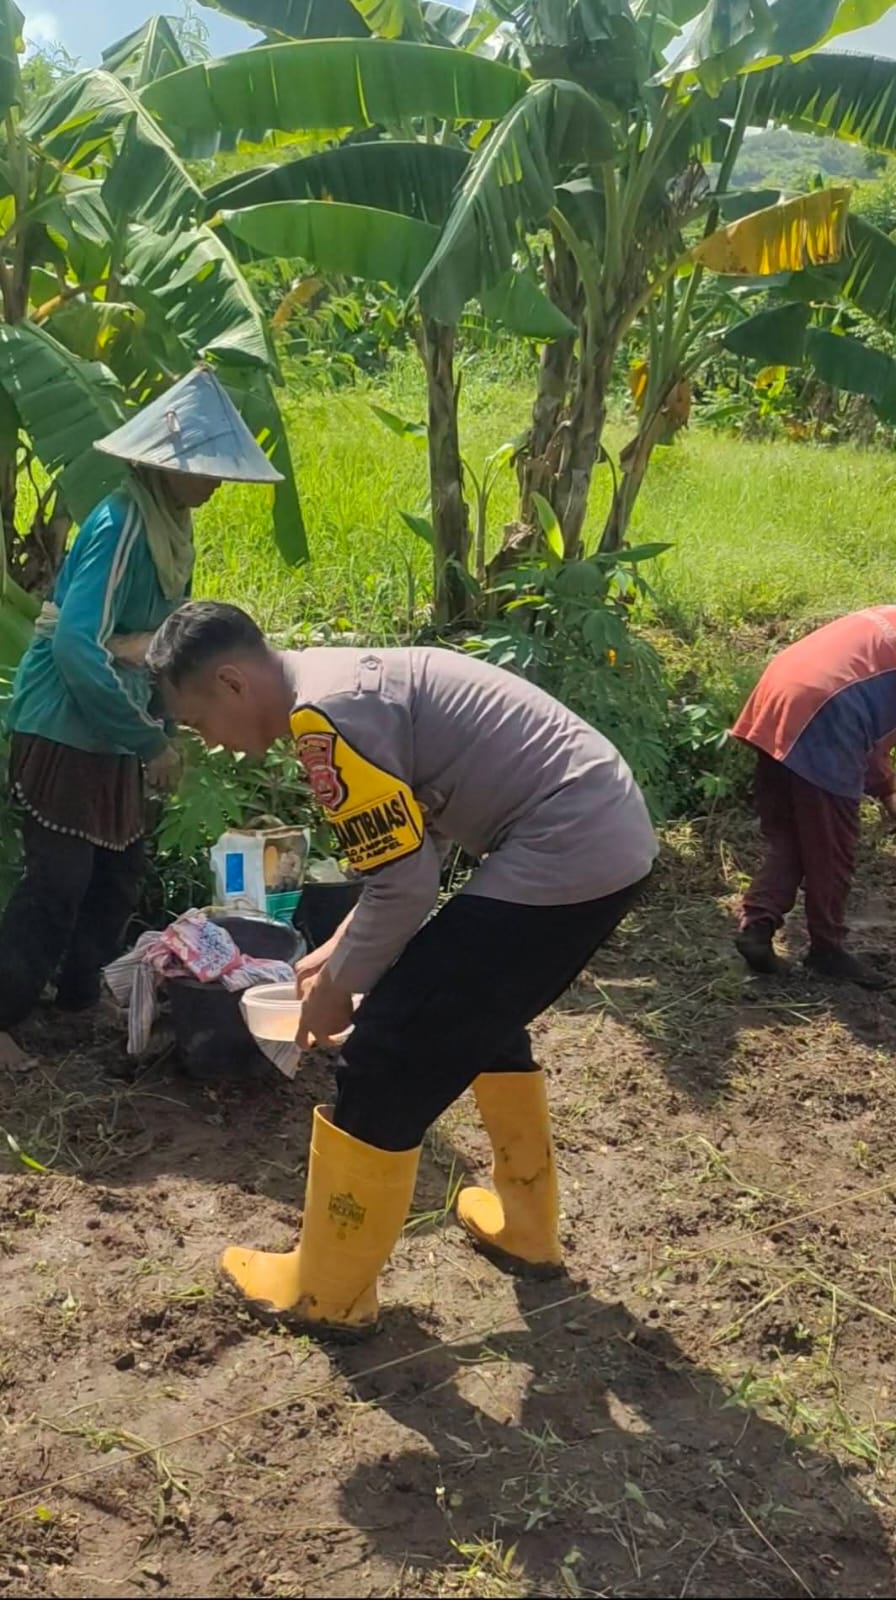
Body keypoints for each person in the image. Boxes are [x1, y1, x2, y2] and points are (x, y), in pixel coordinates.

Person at [146, 600, 658, 1333]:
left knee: (386, 1051)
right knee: (478, 1013)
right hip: (601, 836)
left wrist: (338, 991)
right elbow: (415, 844)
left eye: (200, 723)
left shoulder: (323, 721)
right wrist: (341, 949)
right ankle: (526, 1226)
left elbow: (406, 885)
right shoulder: (339, 684)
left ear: (232, 682)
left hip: (565, 848)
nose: (213, 744)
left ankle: (327, 1292)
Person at [0, 367, 282, 1070]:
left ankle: (78, 1000)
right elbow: (77, 645)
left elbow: (164, 646)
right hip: (65, 725)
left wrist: (165, 723)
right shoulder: (120, 523)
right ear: (166, 467)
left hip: (116, 723)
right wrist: (146, 738)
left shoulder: (171, 530)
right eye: (206, 470)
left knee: (117, 874)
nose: (216, 484)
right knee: (58, 882)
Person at [733, 606, 896, 989]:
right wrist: (888, 792)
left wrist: (886, 787)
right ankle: (827, 949)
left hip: (779, 690)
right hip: (828, 709)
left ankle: (757, 926)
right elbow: (874, 746)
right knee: (831, 847)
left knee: (791, 836)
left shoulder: (886, 616)